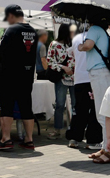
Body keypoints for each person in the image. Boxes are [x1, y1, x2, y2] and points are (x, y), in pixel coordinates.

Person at [0, 4, 37, 151]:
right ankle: (29, 139)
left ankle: (6, 139)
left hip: (9, 75)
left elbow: (1, 52)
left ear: (11, 15)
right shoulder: (33, 31)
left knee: (7, 107)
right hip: (27, 75)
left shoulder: (11, 30)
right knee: (26, 107)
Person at [77, 16, 110, 163]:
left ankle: (108, 150)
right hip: (101, 72)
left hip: (99, 73)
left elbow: (88, 45)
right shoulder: (102, 31)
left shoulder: (94, 29)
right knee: (103, 113)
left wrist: (80, 46)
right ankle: (104, 147)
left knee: (104, 114)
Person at [66, 26, 102, 150]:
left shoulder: (76, 38)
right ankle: (93, 140)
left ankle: (74, 138)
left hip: (79, 78)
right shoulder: (97, 37)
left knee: (79, 109)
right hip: (93, 76)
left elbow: (71, 55)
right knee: (94, 110)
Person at [47, 24, 75, 139]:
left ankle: (74, 129)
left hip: (74, 78)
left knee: (75, 105)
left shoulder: (73, 44)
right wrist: (63, 68)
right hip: (61, 78)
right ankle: (57, 129)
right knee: (59, 104)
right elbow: (50, 61)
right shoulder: (54, 44)